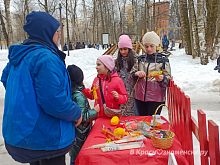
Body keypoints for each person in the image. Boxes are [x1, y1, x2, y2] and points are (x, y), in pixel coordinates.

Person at [0, 11, 82, 165]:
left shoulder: (21, 55)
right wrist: (76, 113)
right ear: (47, 32)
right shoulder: (45, 58)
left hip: (24, 136)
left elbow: (6, 79)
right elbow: (54, 101)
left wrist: (28, 103)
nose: (58, 35)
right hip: (46, 139)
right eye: (57, 31)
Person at [131, 31, 171, 116]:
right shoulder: (140, 59)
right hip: (139, 97)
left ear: (156, 46)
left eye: (151, 46)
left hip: (156, 98)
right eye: (146, 46)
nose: (149, 49)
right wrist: (136, 73)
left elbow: (168, 79)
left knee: (153, 124)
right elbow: (132, 74)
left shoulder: (163, 60)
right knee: (141, 121)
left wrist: (162, 78)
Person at [67, 65, 99, 165]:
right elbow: (82, 116)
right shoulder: (78, 96)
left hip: (75, 133)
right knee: (78, 157)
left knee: (74, 155)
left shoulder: (70, 91)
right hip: (81, 133)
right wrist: (95, 111)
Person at [115, 34, 136, 116]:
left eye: (125, 49)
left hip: (133, 92)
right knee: (121, 114)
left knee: (132, 115)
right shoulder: (117, 62)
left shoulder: (136, 60)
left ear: (129, 49)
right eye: (121, 49)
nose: (123, 52)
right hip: (120, 92)